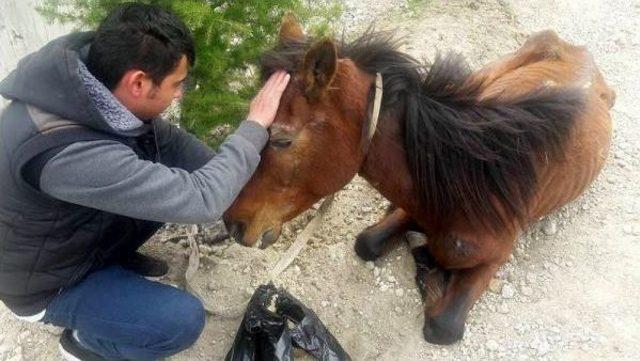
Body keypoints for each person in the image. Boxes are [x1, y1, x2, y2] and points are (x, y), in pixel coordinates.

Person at [0, 3, 290, 360]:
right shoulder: (66, 150)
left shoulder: (95, 85)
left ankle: (111, 265)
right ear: (138, 82)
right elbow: (201, 201)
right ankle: (85, 343)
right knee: (180, 320)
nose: (180, 94)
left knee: (162, 178)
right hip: (45, 282)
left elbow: (168, 143)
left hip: (63, 237)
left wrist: (241, 178)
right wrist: (254, 126)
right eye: (177, 85)